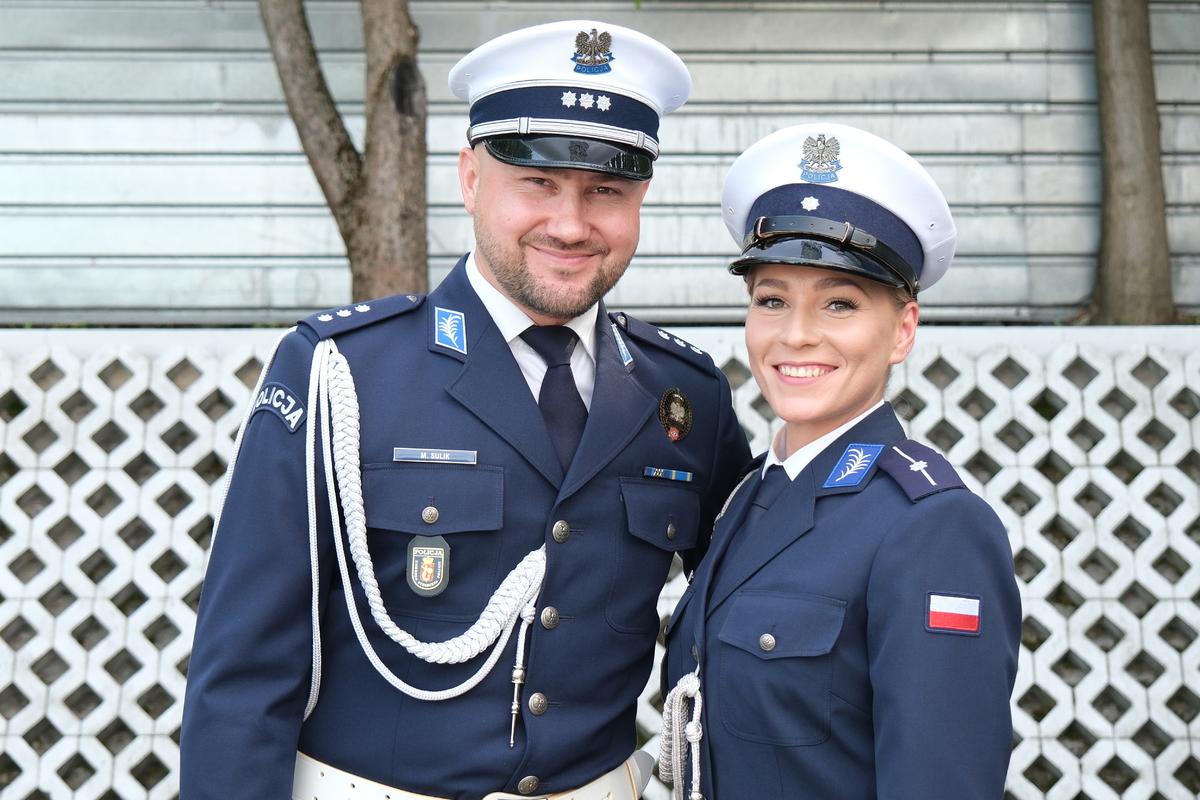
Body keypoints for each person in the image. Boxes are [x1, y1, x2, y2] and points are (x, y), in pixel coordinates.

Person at [179, 20, 751, 800]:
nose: (571, 225)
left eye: (605, 191)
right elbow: (242, 678)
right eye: (537, 182)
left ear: (640, 198)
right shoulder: (341, 373)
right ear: (471, 178)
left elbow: (744, 607)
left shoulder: (686, 397)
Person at [659, 123, 1021, 800]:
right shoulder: (745, 497)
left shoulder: (932, 528)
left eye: (839, 303)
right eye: (772, 300)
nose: (796, 334)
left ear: (902, 331)